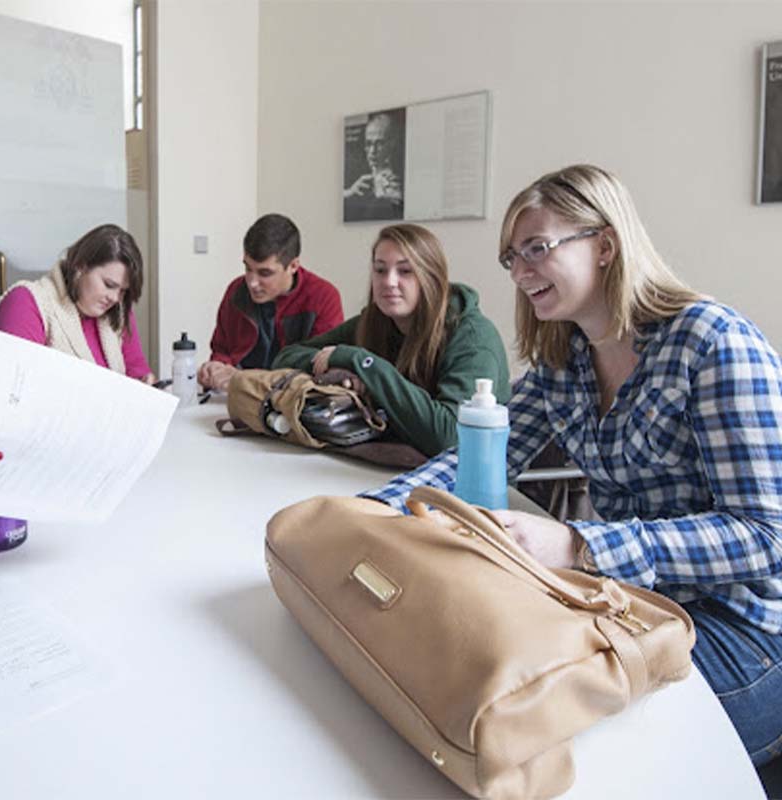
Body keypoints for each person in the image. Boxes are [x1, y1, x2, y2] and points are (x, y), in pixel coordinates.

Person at [362, 164, 782, 768]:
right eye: (513, 256)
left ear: (605, 245)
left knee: (559, 736)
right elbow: (479, 454)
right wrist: (377, 511)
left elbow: (766, 537)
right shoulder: (565, 362)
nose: (520, 270)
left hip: (742, 635)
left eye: (537, 247)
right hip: (630, 606)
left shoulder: (711, 343)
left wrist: (578, 544)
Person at [274, 223, 508, 456]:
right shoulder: (376, 322)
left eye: (405, 271)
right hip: (388, 464)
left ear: (431, 278)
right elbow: (285, 358)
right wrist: (342, 369)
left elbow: (448, 437)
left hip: (464, 478)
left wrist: (363, 363)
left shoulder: (472, 338)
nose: (389, 281)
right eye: (380, 270)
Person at [0, 223, 155, 382]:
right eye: (109, 285)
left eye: (123, 291)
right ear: (80, 267)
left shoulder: (117, 311)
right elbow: (14, 389)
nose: (114, 298)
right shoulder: (27, 302)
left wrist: (147, 385)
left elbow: (138, 373)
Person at [198, 213, 343, 392]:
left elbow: (320, 370)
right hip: (236, 398)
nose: (252, 282)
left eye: (264, 273)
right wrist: (215, 368)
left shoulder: (323, 297)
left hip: (293, 403)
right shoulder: (236, 291)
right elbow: (222, 349)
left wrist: (243, 378)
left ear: (293, 266)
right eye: (247, 268)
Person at [343, 110, 405, 222]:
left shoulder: (402, 185)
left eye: (380, 143)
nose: (372, 151)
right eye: (368, 144)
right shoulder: (357, 184)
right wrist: (349, 192)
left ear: (392, 144)